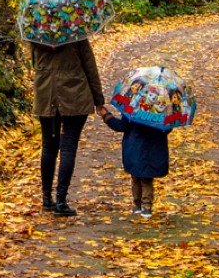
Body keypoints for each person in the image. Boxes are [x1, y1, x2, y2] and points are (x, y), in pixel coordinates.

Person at [30, 37, 104, 216]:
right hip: (75, 94)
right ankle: (61, 201)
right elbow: (89, 67)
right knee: (68, 146)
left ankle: (47, 198)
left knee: (49, 145)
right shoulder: (76, 33)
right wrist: (98, 99)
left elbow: (34, 63)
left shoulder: (35, 34)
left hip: (46, 94)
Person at [101, 107, 170, 218]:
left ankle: (137, 204)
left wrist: (107, 116)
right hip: (153, 149)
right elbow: (167, 129)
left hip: (135, 148)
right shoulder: (162, 111)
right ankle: (146, 206)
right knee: (147, 178)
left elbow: (121, 126)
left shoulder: (132, 108)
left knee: (136, 177)